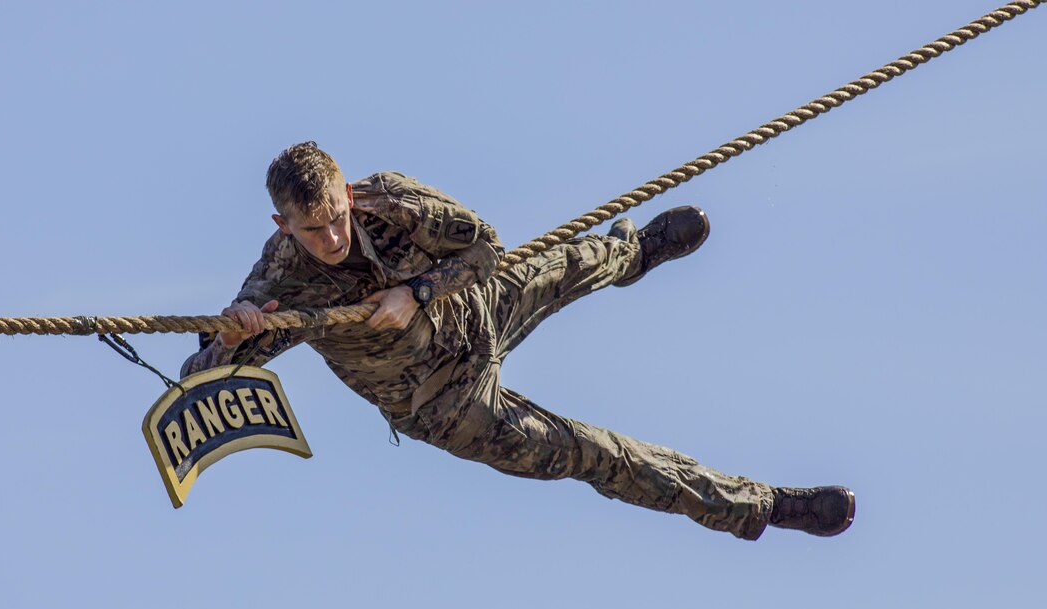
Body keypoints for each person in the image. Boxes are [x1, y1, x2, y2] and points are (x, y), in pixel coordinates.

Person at [182, 141, 855, 540]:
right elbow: (202, 373)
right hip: (446, 402)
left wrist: (414, 292)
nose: (329, 239)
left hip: (473, 310)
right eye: (312, 230)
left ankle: (635, 252)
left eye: (335, 219)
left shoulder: (389, 199)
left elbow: (485, 248)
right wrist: (234, 336)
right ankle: (762, 505)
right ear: (282, 222)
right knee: (598, 454)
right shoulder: (283, 275)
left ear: (346, 193)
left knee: (572, 260)